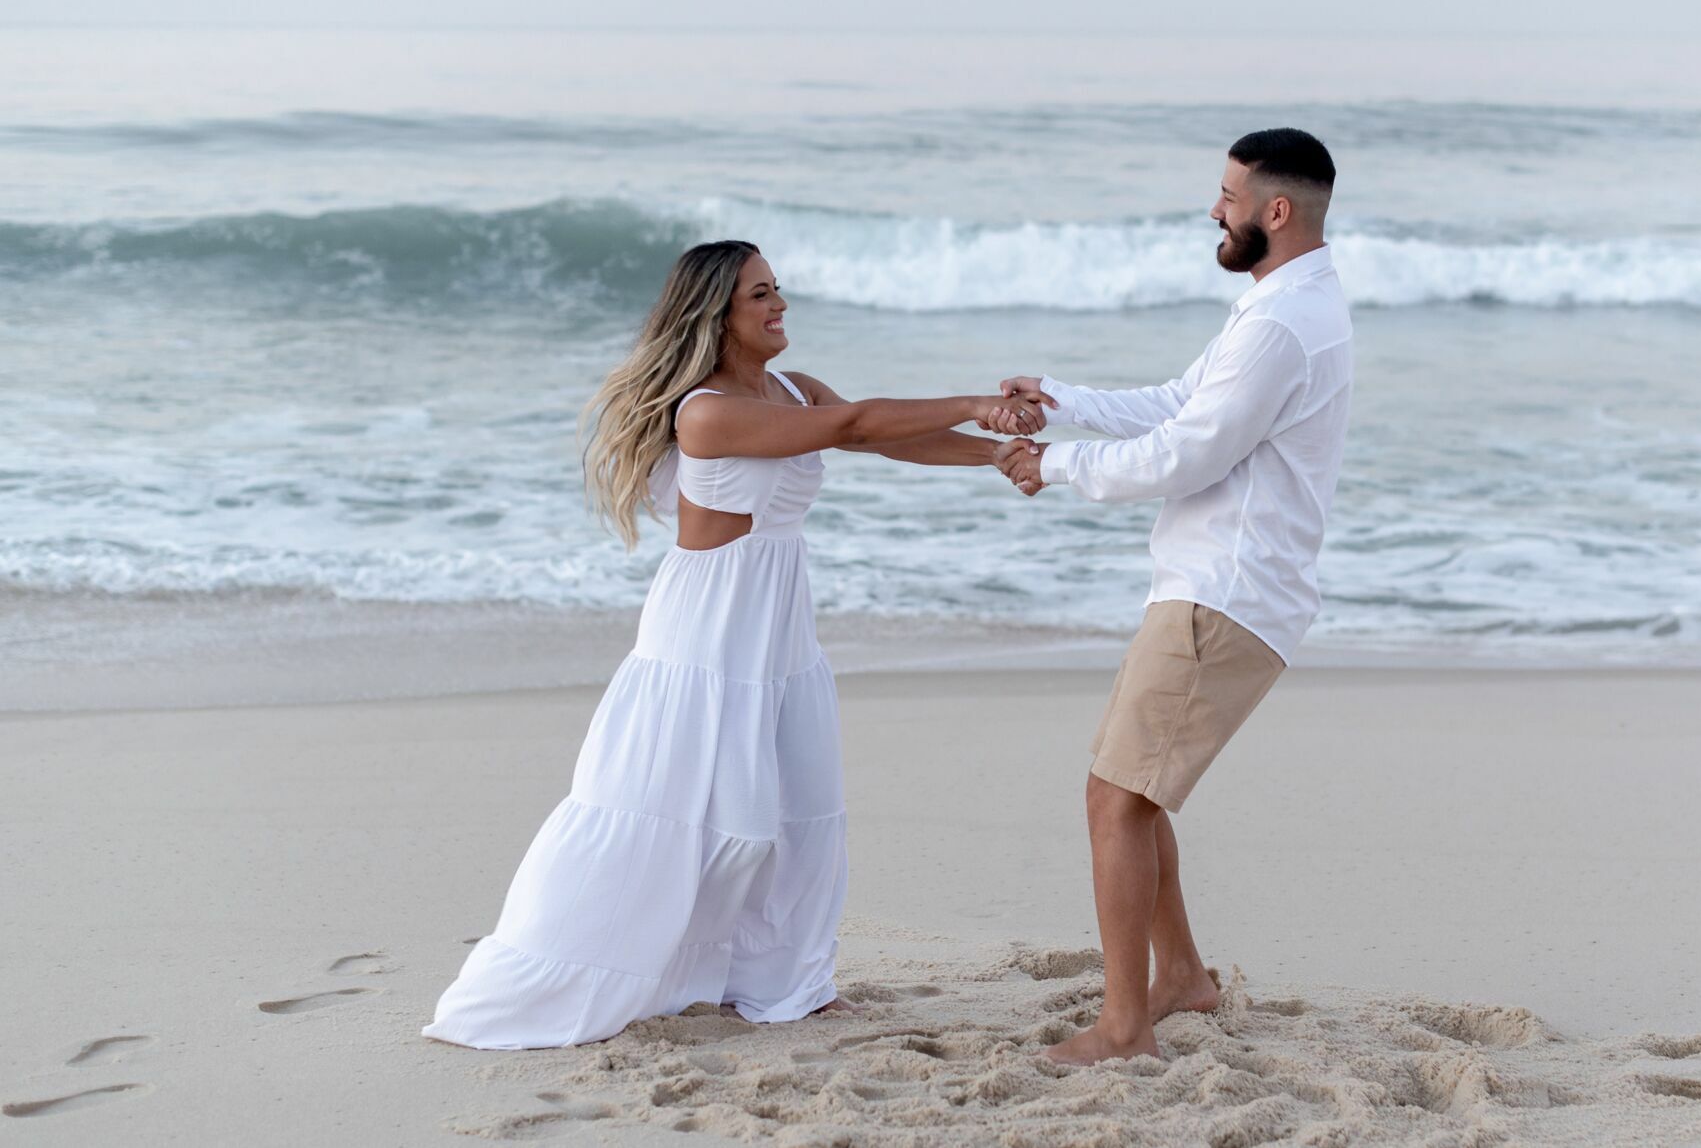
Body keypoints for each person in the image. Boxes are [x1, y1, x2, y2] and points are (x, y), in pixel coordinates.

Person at [424, 240, 1048, 1048]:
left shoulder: (791, 389)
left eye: (777, 287)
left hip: (779, 624)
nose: (779, 303)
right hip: (707, 632)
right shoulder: (706, 411)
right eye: (760, 293)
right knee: (683, 810)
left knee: (800, 804)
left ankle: (784, 982)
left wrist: (995, 453)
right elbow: (856, 421)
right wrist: (975, 403)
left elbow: (871, 437)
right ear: (715, 313)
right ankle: (574, 970)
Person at [990, 128, 1353, 1066]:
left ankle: (1124, 1028)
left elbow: (1188, 454)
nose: (1214, 210)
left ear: (1277, 210)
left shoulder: (1280, 325)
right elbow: (1180, 402)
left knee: (1113, 800)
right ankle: (1183, 975)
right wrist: (1061, 398)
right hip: (1217, 589)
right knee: (1136, 795)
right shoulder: (1280, 306)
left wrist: (1053, 465)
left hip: (1222, 595)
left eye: (1228, 196)